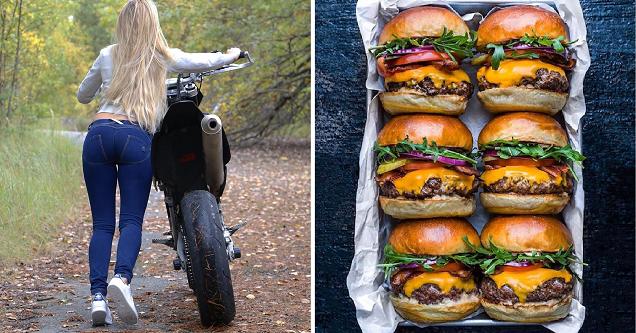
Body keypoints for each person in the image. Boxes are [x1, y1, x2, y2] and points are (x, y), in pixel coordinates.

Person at [77, 0, 240, 326]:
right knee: (131, 221)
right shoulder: (162, 55)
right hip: (134, 138)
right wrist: (232, 53)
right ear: (152, 23)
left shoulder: (107, 54)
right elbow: (202, 61)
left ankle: (97, 298)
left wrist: (106, 83)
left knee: (102, 225)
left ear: (123, 24)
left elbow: (83, 95)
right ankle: (121, 280)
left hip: (97, 134)